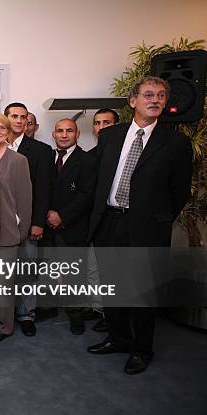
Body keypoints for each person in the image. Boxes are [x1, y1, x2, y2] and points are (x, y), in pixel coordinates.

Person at [87, 76, 192, 375]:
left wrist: (157, 220)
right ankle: (119, 338)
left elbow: (180, 191)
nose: (155, 100)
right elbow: (99, 178)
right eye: (148, 94)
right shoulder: (110, 136)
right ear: (133, 101)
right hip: (109, 221)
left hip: (146, 228)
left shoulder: (175, 142)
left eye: (161, 95)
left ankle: (142, 349)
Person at [42, 118, 97, 335]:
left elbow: (87, 195)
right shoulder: (47, 158)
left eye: (69, 131)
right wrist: (46, 214)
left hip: (72, 226)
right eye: (60, 131)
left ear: (77, 134)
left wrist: (62, 216)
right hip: (45, 225)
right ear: (54, 134)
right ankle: (48, 308)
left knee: (74, 274)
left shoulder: (87, 160)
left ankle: (76, 315)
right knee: (47, 270)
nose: (64, 135)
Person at [4, 102, 55, 336]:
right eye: (14, 116)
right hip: (0, 224)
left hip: (27, 222)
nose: (19, 120)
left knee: (27, 271)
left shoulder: (42, 151)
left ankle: (26, 315)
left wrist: (37, 223)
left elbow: (44, 190)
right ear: (5, 119)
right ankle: (1, 315)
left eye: (23, 117)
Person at [0, 112, 32, 344]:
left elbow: (24, 200)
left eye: (1, 128)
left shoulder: (18, 160)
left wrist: (20, 233)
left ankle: (3, 327)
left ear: (8, 132)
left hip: (7, 231)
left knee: (3, 284)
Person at [85, 108, 119, 333]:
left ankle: (113, 316)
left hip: (116, 220)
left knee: (114, 270)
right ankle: (99, 309)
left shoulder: (122, 153)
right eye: (98, 123)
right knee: (93, 269)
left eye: (107, 123)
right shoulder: (90, 155)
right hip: (92, 220)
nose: (101, 127)